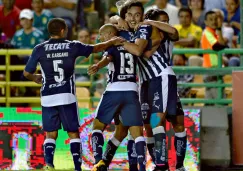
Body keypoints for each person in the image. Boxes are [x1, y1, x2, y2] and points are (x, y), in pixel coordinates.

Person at [23, 18, 124, 171]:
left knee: (51, 134)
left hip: (48, 97)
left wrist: (35, 77)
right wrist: (112, 41)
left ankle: (49, 164)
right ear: (63, 30)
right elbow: (96, 48)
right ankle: (77, 167)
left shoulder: (39, 49)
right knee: (73, 133)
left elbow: (26, 73)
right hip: (66, 95)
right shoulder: (72, 46)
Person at [88, 24, 147, 171]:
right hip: (132, 91)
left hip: (114, 90)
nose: (100, 39)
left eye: (101, 36)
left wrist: (98, 65)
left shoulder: (112, 45)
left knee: (97, 127)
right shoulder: (132, 46)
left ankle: (98, 162)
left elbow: (108, 58)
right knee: (136, 133)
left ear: (109, 35)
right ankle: (142, 167)